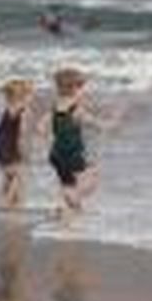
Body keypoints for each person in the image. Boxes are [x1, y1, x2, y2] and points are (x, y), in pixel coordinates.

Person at [37, 67, 121, 216]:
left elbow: (41, 128)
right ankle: (73, 199)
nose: (83, 92)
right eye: (82, 88)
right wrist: (109, 124)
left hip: (56, 154)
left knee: (67, 183)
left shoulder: (54, 108)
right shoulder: (76, 110)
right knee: (92, 178)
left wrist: (47, 141)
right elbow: (94, 124)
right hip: (72, 154)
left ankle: (65, 210)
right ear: (74, 89)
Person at [0, 79, 35, 209]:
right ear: (24, 96)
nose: (32, 99)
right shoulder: (24, 110)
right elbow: (22, 133)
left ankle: (0, 200)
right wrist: (24, 151)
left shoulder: (9, 108)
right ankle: (11, 203)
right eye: (30, 95)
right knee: (20, 175)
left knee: (8, 174)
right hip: (9, 144)